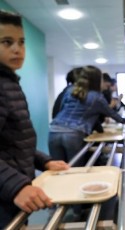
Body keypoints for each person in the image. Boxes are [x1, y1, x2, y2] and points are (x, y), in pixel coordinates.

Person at [0, 10, 69, 228]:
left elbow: (13, 140)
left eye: (21, 42)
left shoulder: (9, 82)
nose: (17, 49)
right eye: (6, 42)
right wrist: (17, 186)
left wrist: (43, 160)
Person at [48, 65, 125, 166]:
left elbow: (61, 109)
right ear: (97, 80)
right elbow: (111, 113)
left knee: (57, 169)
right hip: (74, 133)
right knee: (75, 170)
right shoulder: (97, 97)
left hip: (54, 131)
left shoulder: (70, 90)